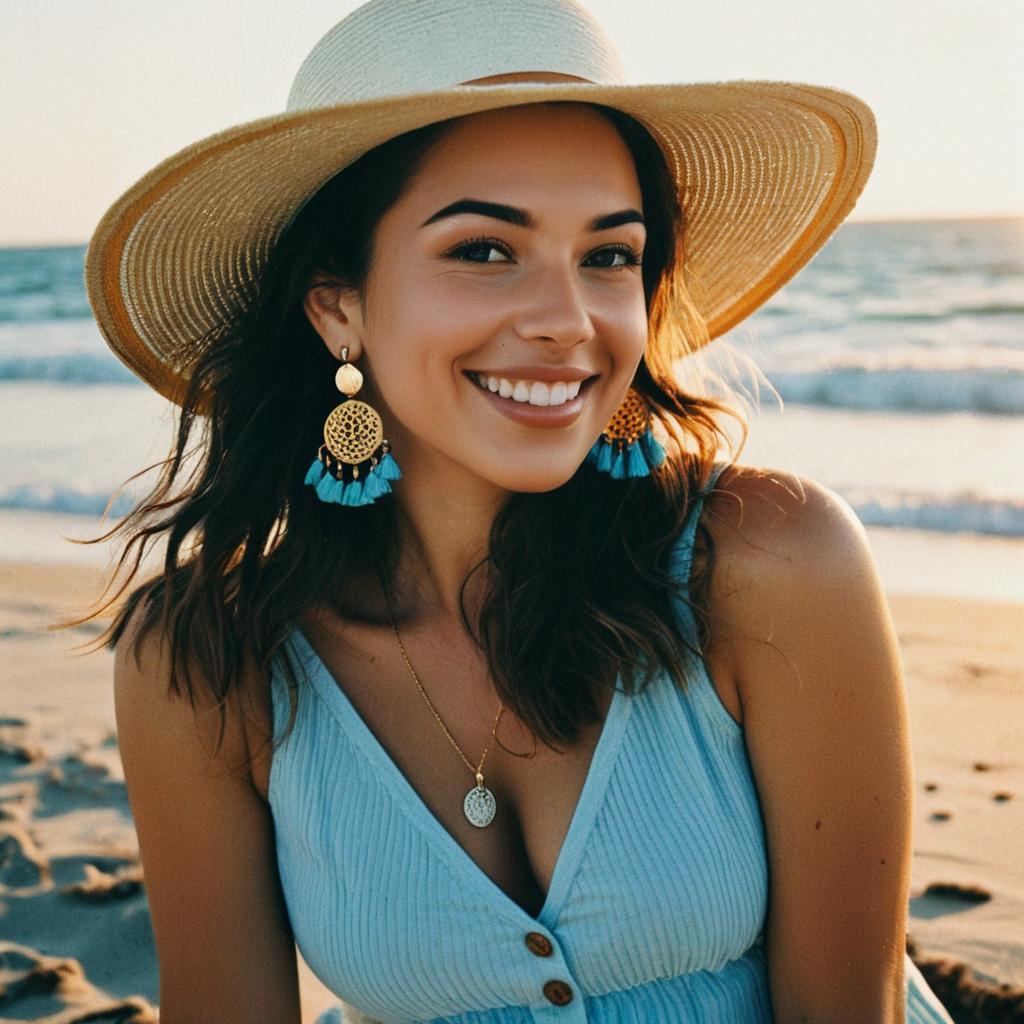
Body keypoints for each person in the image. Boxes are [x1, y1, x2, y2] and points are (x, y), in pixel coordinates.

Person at [79, 0, 956, 1021]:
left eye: (608, 255)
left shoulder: (770, 564)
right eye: (486, 251)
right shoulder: (208, 661)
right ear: (338, 307)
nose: (565, 320)